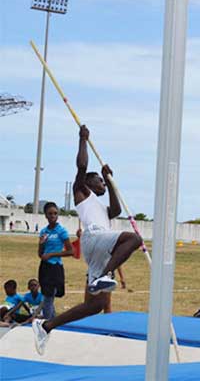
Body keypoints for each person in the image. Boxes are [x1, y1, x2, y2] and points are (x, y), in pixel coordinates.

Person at [32, 125, 143, 355]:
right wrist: (83, 140)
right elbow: (82, 166)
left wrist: (109, 180)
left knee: (95, 305)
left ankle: (46, 326)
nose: (102, 186)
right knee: (134, 239)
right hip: (94, 238)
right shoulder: (82, 193)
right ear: (90, 183)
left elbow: (115, 208)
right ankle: (105, 275)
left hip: (99, 250)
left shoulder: (101, 207)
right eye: (100, 183)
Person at [38, 202, 73, 320]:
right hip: (44, 267)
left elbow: (70, 251)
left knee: (48, 298)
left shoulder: (61, 231)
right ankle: (51, 322)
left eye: (55, 213)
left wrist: (52, 254)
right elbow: (40, 254)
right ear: (46, 215)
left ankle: (48, 323)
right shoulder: (43, 231)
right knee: (47, 297)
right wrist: (41, 245)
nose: (53, 216)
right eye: (50, 213)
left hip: (55, 267)